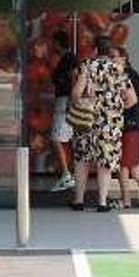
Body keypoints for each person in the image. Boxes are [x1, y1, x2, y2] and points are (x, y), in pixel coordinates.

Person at [70, 36, 137, 212]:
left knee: (82, 160)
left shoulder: (87, 66)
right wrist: (117, 108)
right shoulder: (119, 69)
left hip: (87, 120)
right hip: (110, 123)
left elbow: (76, 93)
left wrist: (85, 98)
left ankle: (78, 200)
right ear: (110, 51)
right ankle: (102, 202)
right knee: (105, 163)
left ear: (95, 50)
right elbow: (132, 99)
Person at [113, 46, 139, 209]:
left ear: (124, 58)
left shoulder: (127, 76)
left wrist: (115, 109)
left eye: (114, 57)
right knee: (132, 162)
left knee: (123, 164)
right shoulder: (132, 74)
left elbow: (131, 100)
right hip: (133, 123)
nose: (111, 61)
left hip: (127, 123)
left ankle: (126, 200)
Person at [49, 30, 78, 193]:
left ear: (59, 43)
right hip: (64, 100)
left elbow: (74, 77)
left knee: (56, 138)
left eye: (54, 43)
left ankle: (67, 174)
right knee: (63, 138)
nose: (52, 46)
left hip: (65, 101)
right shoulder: (66, 58)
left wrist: (71, 103)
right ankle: (69, 173)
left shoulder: (69, 59)